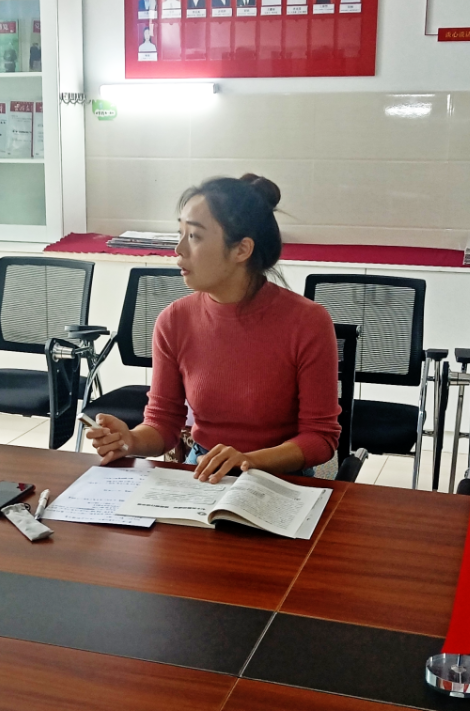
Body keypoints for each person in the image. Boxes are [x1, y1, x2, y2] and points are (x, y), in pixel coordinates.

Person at [85, 175, 341, 483]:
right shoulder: (174, 320)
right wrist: (131, 440)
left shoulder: (308, 322)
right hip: (204, 473)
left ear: (241, 250)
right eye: (180, 233)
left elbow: (320, 438)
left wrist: (249, 461)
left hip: (281, 478)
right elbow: (163, 422)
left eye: (194, 236)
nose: (178, 248)